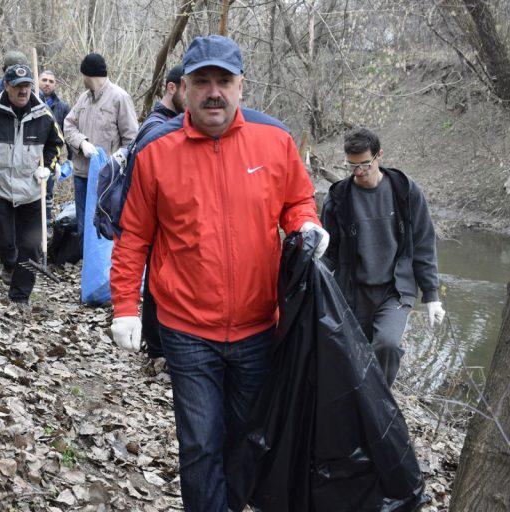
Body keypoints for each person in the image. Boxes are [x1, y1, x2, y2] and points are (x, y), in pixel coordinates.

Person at [109, 35, 329, 511]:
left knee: (247, 439)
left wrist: (306, 225)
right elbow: (134, 236)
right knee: (200, 443)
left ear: (241, 86)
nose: (214, 93)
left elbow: (297, 200)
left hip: (258, 326)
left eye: (224, 81)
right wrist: (125, 305)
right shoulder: (156, 150)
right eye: (203, 81)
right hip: (187, 328)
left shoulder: (275, 140)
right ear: (184, 89)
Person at [321, 128, 445, 386]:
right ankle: (358, 403)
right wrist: (309, 274)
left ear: (379, 155)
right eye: (352, 165)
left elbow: (423, 243)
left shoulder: (404, 190)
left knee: (387, 345)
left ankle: (381, 402)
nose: (358, 171)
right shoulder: (339, 197)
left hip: (394, 291)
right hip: (352, 292)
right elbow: (330, 252)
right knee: (350, 356)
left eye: (365, 164)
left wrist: (431, 295)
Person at [0, 64, 65, 310]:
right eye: (18, 86)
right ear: (6, 86)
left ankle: (20, 297)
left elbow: (56, 144)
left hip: (31, 192)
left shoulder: (43, 115)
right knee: (4, 241)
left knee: (30, 247)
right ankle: (9, 263)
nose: (23, 91)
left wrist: (48, 166)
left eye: (27, 85)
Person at [135, 63, 185, 361]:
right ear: (171, 88)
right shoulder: (157, 127)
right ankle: (156, 347)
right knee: (156, 282)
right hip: (158, 219)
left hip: (167, 219)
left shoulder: (170, 122)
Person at [63, 52, 138, 239]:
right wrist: (82, 143)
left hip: (107, 181)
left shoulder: (120, 98)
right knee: (84, 228)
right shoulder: (84, 99)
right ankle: (85, 259)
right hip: (82, 175)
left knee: (104, 231)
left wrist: (117, 168)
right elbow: (68, 125)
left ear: (88, 75)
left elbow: (132, 140)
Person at [39, 69, 71, 232]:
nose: (47, 84)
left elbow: (68, 133)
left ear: (55, 85)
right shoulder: (30, 100)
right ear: (38, 81)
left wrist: (70, 160)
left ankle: (46, 226)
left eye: (51, 81)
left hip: (51, 157)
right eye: (44, 80)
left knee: (48, 193)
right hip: (30, 155)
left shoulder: (62, 107)